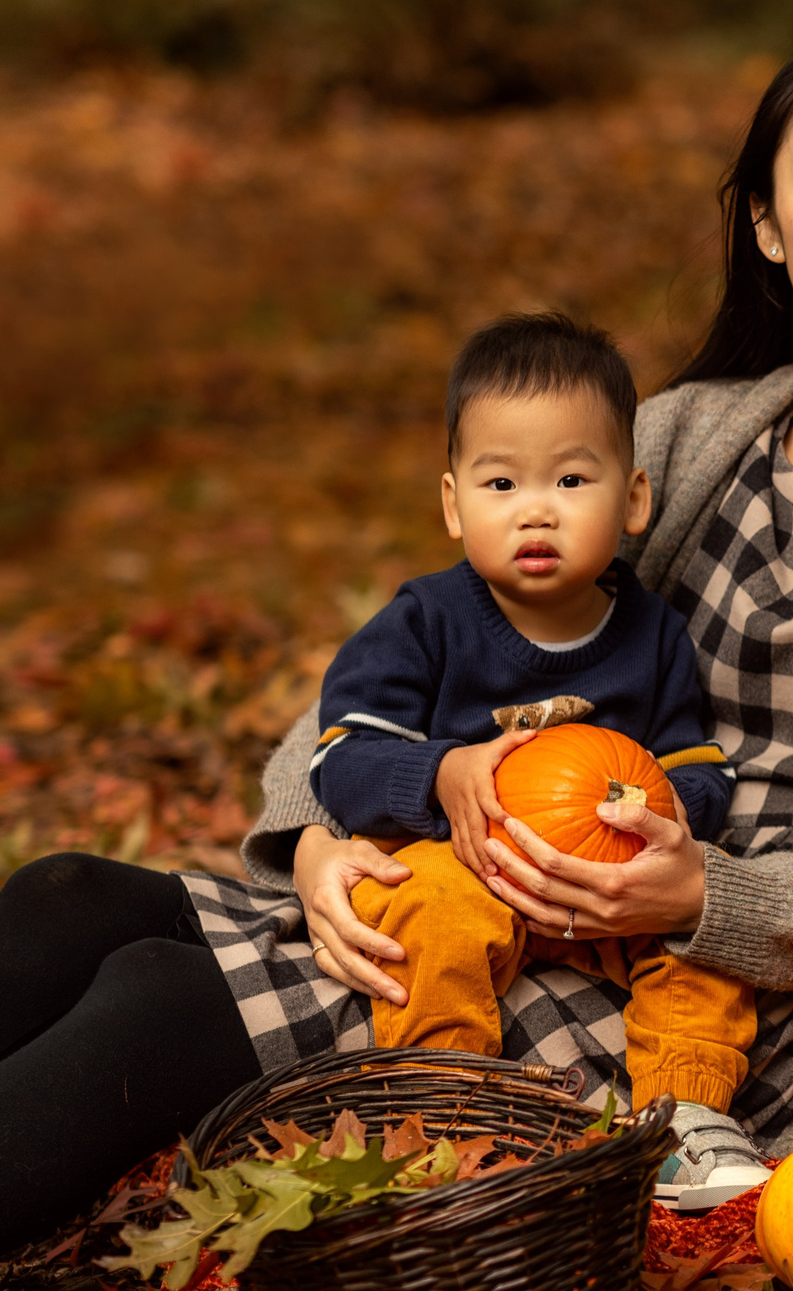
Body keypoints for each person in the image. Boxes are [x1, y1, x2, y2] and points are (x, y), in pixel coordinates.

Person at [0, 25, 793, 1291]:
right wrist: (318, 843)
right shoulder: (679, 439)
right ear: (768, 225)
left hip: (760, 990)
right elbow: (418, 657)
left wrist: (707, 896)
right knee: (68, 893)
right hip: (528, 882)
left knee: (165, 997)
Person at [312, 310, 763, 1209]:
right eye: (501, 481)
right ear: (453, 504)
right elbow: (340, 758)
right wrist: (438, 776)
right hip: (475, 862)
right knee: (422, 909)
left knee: (707, 936)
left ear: (632, 499)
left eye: (570, 476)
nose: (536, 507)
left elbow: (703, 762)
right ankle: (439, 1103)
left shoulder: (654, 635)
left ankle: (683, 1116)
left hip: (613, 887)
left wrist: (672, 809)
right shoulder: (425, 621)